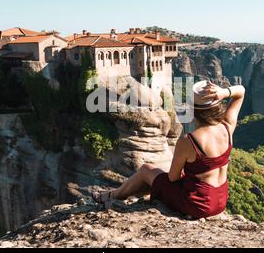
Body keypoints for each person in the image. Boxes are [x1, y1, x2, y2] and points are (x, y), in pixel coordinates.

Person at [93, 80, 246, 219]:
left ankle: (112, 195)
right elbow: (241, 92)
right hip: (220, 201)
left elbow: (172, 178)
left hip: (198, 205)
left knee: (147, 170)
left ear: (192, 111)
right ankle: (116, 194)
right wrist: (224, 93)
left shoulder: (189, 140)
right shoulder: (227, 126)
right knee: (157, 179)